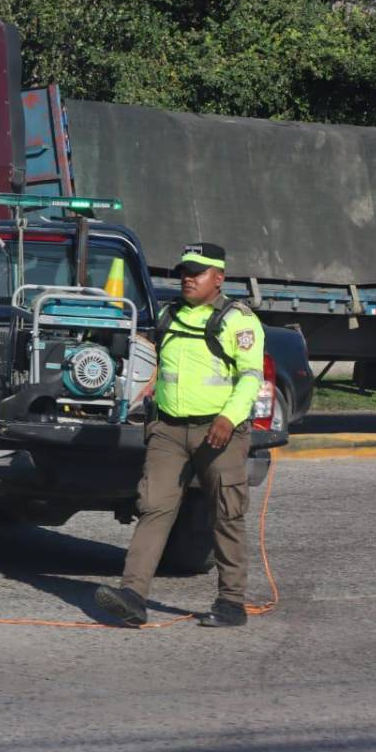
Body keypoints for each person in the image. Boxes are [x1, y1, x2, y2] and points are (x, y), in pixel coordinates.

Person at [94, 243, 265, 628]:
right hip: (169, 430)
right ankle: (133, 595)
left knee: (226, 513)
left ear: (218, 279)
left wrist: (229, 417)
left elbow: (251, 377)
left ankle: (231, 603)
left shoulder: (238, 321)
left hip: (219, 430)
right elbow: (160, 362)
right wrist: (149, 393)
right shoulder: (169, 315)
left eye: (197, 272)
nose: (188, 278)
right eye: (185, 271)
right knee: (154, 508)